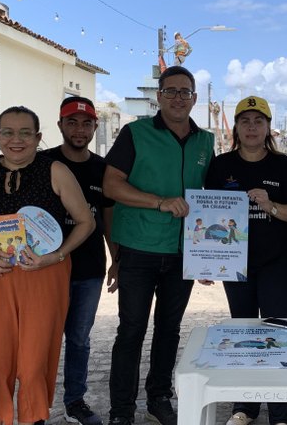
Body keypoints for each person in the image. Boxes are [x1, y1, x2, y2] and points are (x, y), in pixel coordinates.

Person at [0, 106, 95, 425]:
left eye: (26, 132)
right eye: (8, 132)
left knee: (34, 361)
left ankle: (33, 419)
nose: (16, 140)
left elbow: (86, 222)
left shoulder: (54, 170)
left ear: (38, 137)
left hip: (44, 275)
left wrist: (57, 256)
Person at [104, 66, 214, 425]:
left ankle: (158, 397)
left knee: (169, 329)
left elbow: (212, 199)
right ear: (159, 97)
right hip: (139, 248)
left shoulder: (205, 141)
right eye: (171, 91)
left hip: (183, 252)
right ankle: (122, 410)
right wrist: (159, 202)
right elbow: (112, 185)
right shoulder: (134, 133)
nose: (179, 98)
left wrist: (212, 257)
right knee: (131, 329)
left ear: (195, 98)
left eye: (185, 92)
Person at [203, 95, 287, 425]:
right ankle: (244, 406)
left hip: (275, 261)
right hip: (235, 265)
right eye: (245, 121)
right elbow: (208, 214)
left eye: (258, 121)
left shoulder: (282, 166)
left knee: (276, 332)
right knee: (242, 330)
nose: (251, 127)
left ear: (268, 127)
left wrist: (271, 206)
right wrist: (205, 260)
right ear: (235, 127)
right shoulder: (221, 166)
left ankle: (279, 412)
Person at [43, 96, 115, 425]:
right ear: (60, 125)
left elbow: (109, 218)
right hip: (46, 268)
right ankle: (36, 403)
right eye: (72, 122)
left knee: (79, 338)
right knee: (41, 337)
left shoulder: (103, 169)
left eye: (86, 123)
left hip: (89, 268)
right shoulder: (41, 164)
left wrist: (117, 260)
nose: (79, 129)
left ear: (95, 127)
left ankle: (75, 400)